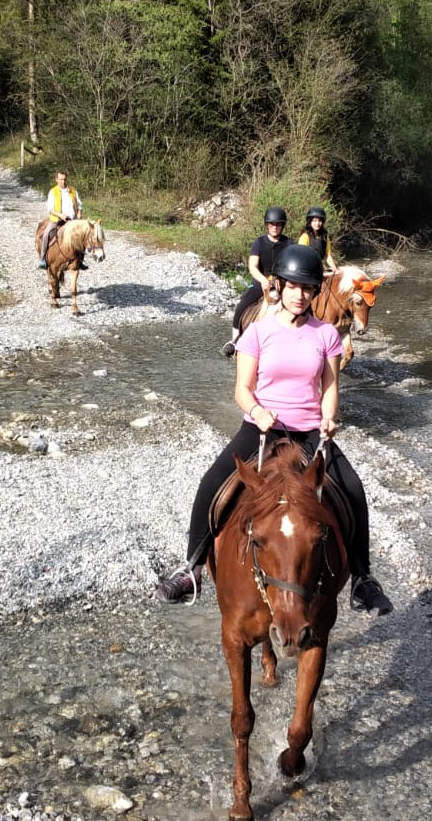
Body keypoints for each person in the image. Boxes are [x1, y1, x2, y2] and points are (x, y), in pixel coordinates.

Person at [158, 241, 393, 615]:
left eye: (308, 288)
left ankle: (364, 579)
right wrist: (257, 410)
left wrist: (329, 418)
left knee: (353, 488)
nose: (300, 295)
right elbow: (242, 389)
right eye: (293, 286)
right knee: (211, 483)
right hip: (262, 428)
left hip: (309, 432)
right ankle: (192, 568)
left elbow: (330, 388)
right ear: (280, 286)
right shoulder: (258, 333)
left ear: (316, 291)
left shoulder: (326, 335)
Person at [220, 205, 290, 358]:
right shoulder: (259, 243)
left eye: (278, 224)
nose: (274, 227)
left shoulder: (289, 244)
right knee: (241, 306)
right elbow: (252, 266)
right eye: (272, 224)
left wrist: (282, 279)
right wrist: (264, 280)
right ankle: (234, 341)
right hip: (261, 280)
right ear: (267, 225)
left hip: (282, 281)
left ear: (282, 226)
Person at [39, 170, 82, 267]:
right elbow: (50, 209)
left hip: (72, 221)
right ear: (56, 180)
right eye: (61, 179)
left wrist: (79, 213)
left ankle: (80, 260)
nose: (63, 181)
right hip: (57, 220)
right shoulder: (53, 192)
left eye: (64, 179)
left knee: (82, 236)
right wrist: (60, 215)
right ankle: (42, 258)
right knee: (46, 234)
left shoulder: (73, 191)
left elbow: (79, 205)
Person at [297, 206, 337, 273]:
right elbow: (301, 257)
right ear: (310, 222)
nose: (317, 223)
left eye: (320, 221)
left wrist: (335, 270)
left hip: (320, 268)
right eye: (314, 221)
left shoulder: (325, 237)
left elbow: (328, 257)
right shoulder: (305, 237)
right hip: (306, 269)